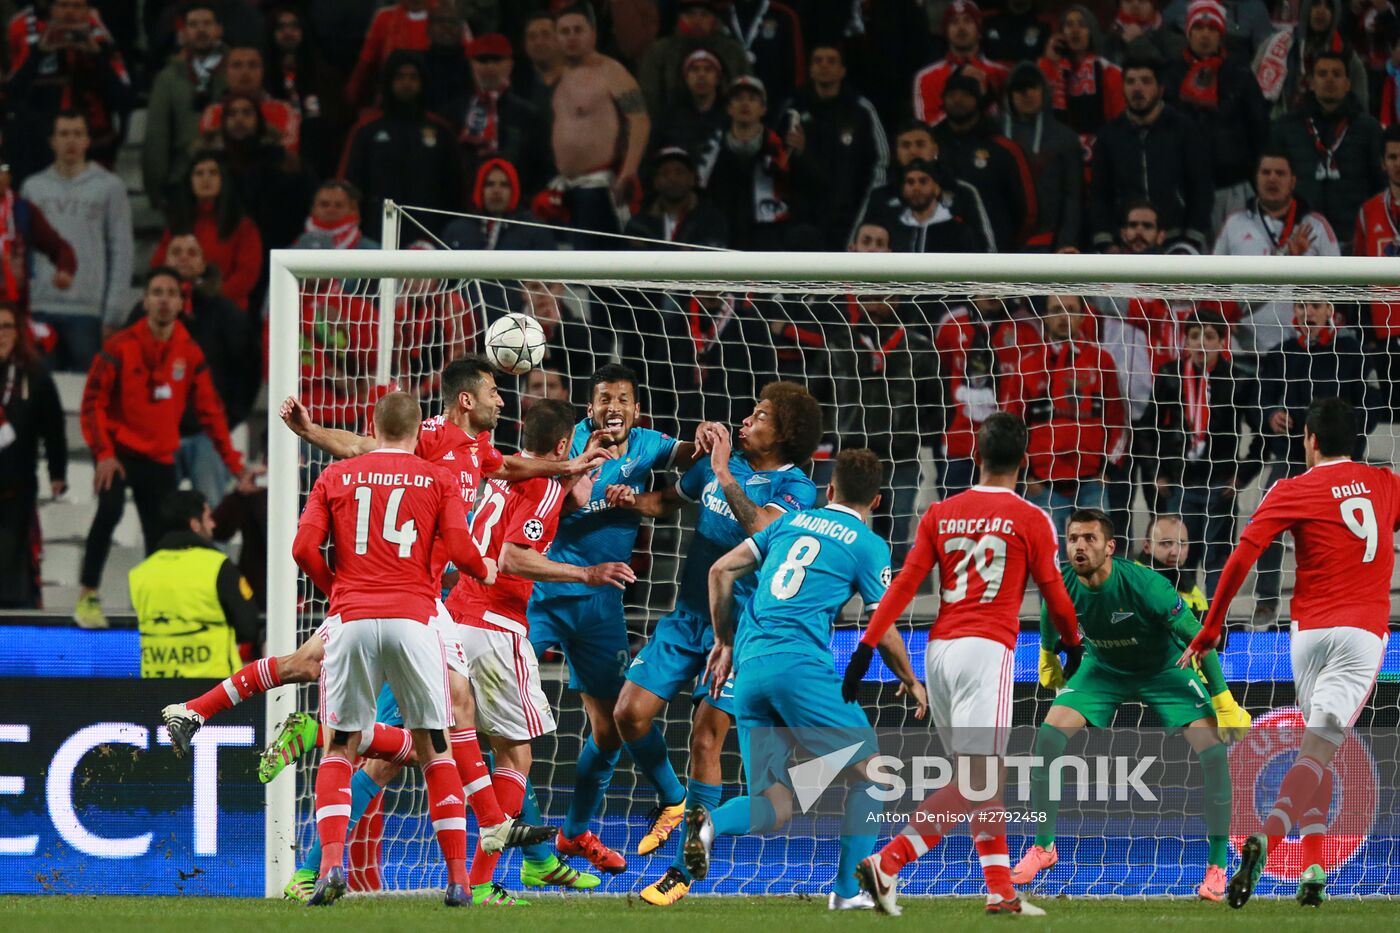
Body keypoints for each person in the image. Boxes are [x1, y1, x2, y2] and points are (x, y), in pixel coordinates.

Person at [164, 358, 606, 897]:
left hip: (384, 597)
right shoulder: (434, 440)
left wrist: (566, 468)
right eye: (494, 390)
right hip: (418, 601)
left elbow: (506, 468)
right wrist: (312, 432)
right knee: (437, 731)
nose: (502, 399)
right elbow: (362, 446)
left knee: (358, 707)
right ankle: (481, 839)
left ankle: (210, 717)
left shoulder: (479, 452)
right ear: (464, 401)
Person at [850, 412, 1081, 917]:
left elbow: (906, 584)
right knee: (979, 780)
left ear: (975, 457)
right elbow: (1055, 595)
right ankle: (888, 862)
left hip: (939, 653)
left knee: (981, 780)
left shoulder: (941, 512)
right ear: (1025, 461)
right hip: (986, 650)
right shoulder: (1032, 518)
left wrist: (866, 647)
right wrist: (1074, 643)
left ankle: (1000, 891)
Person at [609, 383, 823, 907]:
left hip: (738, 632)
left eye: (762, 416)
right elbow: (668, 501)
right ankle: (675, 800)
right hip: (684, 619)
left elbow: (763, 531)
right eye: (750, 411)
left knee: (706, 739)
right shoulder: (711, 465)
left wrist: (725, 471)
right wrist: (630, 499)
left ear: (785, 434)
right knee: (629, 715)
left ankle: (682, 868)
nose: (747, 420)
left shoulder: (797, 490)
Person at [684, 448, 926, 911]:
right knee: (876, 774)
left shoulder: (788, 523)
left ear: (828, 491)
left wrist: (724, 641)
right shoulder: (867, 544)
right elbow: (884, 625)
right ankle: (847, 892)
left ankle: (710, 824)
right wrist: (911, 678)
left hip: (750, 668)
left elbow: (721, 570)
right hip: (800, 665)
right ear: (876, 501)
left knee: (773, 806)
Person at [1181, 397, 1398, 909]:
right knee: (1319, 751)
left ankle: (1315, 867)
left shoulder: (1292, 488)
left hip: (1308, 636)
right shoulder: (1387, 484)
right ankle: (1269, 839)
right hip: (1362, 634)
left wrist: (1211, 627)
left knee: (1314, 752)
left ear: (1311, 440)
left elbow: (1242, 557)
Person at [292, 390, 491, 908]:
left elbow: (301, 549)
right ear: (416, 431)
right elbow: (460, 546)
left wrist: (335, 589)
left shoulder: (334, 477)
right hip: (415, 618)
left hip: (352, 618)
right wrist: (482, 569)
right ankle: (457, 879)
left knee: (340, 747)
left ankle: (330, 866)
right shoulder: (439, 477)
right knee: (434, 745)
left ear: (373, 427)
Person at [443, 397, 637, 906]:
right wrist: (585, 573)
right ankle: (482, 880)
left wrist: (587, 457)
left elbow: (569, 496)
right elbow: (511, 554)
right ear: (559, 448)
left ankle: (506, 871)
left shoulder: (508, 468)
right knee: (516, 754)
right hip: (495, 625)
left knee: (449, 743)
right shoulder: (547, 484)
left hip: (456, 615)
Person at [1010, 508, 1248, 902]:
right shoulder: (1064, 579)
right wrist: (1048, 654)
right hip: (1103, 665)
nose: (1080, 546)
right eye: (1073, 539)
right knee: (1048, 739)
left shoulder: (1147, 585)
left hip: (1164, 668)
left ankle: (1218, 867)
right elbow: (1053, 610)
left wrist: (1223, 699)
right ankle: (1044, 847)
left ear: (1110, 547)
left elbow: (1201, 638)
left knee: (1214, 754)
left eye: (1089, 538)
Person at [519, 365, 700, 880]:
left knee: (612, 726)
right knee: (505, 721)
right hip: (544, 593)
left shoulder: (648, 444)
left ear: (636, 409)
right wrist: (583, 470)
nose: (613, 406)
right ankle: (532, 853)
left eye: (622, 398)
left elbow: (687, 462)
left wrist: (708, 438)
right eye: (604, 399)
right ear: (590, 407)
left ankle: (574, 832)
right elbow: (549, 493)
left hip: (601, 603)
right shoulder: (569, 442)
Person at [75, 267, 248, 629]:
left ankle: (157, 608)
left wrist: (236, 467)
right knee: (108, 510)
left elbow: (211, 413)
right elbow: (92, 402)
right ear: (145, 300)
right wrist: (104, 453)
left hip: (160, 458)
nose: (164, 299)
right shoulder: (120, 346)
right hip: (120, 453)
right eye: (156, 292)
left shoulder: (189, 351)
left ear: (181, 303)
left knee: (165, 539)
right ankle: (87, 594)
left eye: (171, 292)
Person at [1251, 301, 1373, 629]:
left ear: (1329, 310)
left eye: (1315, 306)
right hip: (1293, 456)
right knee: (1264, 517)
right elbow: (1259, 400)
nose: (1309, 313)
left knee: (1349, 528)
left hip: (1340, 460)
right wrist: (1270, 414)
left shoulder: (1350, 351)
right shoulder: (1280, 353)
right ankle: (1266, 599)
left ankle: (1351, 594)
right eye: (1303, 306)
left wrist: (1349, 439)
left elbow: (1368, 405)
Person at [1145, 310, 1262, 598]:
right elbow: (1148, 428)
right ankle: (1180, 631)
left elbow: (1263, 436)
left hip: (1219, 485)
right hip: (1179, 484)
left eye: (1209, 336)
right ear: (1185, 341)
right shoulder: (1169, 375)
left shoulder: (1239, 378)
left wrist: (1242, 477)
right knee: (1178, 562)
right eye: (1194, 336)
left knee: (1218, 564)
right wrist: (1157, 472)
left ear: (1222, 341)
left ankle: (1214, 631)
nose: (1200, 343)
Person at [828, 286, 940, 559]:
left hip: (901, 457)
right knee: (844, 536)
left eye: (882, 298)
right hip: (850, 457)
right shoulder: (838, 344)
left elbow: (937, 405)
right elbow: (819, 396)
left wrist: (916, 438)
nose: (875, 305)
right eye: (869, 298)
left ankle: (891, 600)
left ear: (897, 299)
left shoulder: (920, 348)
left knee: (896, 539)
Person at [1005, 293, 1127, 534]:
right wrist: (1026, 474)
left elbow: (1117, 420)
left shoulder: (1102, 361)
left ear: (1082, 316)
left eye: (1070, 309)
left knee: (1095, 564)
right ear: (1045, 317)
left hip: (1092, 480)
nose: (1063, 316)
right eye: (1056, 310)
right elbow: (1012, 425)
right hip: (1043, 484)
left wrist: (1109, 470)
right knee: (1050, 563)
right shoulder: (1027, 365)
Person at [151, 233, 257, 506]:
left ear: (203, 263)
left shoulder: (226, 314)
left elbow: (248, 369)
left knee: (213, 517)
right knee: (159, 518)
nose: (184, 257)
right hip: (158, 435)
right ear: (164, 259)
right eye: (176, 251)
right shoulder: (141, 317)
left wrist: (229, 417)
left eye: (191, 252)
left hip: (208, 436)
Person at [21, 110, 129, 372]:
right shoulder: (33, 188)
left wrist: (112, 311)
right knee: (41, 392)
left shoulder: (109, 186)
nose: (71, 140)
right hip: (39, 307)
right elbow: (21, 252)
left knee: (86, 395)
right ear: (52, 141)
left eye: (78, 134)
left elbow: (121, 249)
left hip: (88, 311)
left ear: (87, 141)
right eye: (64, 134)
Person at [1214, 150, 1339, 357]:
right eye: (1266, 172)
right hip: (1243, 350)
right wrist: (1223, 316)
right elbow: (1213, 284)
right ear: (1256, 179)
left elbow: (1337, 288)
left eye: (1280, 173)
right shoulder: (1234, 225)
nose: (1272, 178)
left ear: (1293, 181)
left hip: (1301, 350)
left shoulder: (1316, 226)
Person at [549, 5, 649, 250]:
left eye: (577, 30)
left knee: (598, 270)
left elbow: (639, 120)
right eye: (564, 31)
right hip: (562, 188)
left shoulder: (610, 71)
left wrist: (629, 170)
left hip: (599, 188)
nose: (571, 37)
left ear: (592, 33)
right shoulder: (554, 76)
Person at [1091, 52, 1213, 252]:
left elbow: (1201, 188)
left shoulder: (1184, 130)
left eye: (1146, 81)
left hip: (1178, 241)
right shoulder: (1108, 137)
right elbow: (1099, 196)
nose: (1137, 88)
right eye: (1130, 82)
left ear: (1160, 88)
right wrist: (1106, 243)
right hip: (1125, 246)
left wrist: (1191, 239)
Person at [1163, 0, 1269, 229]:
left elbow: (1259, 128)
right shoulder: (1170, 74)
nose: (1205, 35)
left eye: (1212, 29)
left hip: (1233, 185)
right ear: (1188, 32)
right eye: (1199, 28)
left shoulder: (1239, 73)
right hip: (1184, 186)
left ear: (1221, 34)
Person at [131, 489, 259, 678]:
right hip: (212, 690)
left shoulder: (140, 573)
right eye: (208, 517)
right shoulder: (218, 566)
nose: (213, 523)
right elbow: (248, 627)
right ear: (195, 524)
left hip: (156, 688)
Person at [339, 50, 464, 242]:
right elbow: (349, 185)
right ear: (388, 81)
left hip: (430, 239)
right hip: (375, 237)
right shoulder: (366, 131)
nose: (407, 83)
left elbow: (456, 190)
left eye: (413, 77)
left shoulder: (441, 132)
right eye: (400, 76)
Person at [1268, 51, 1384, 250]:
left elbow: (1379, 186)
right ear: (1312, 83)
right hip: (1302, 240)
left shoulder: (1368, 129)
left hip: (1352, 239)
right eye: (1322, 74)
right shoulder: (1286, 127)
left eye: (1337, 74)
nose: (1329, 79)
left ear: (1348, 84)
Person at [777, 44, 887, 250]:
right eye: (818, 61)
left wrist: (866, 211)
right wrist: (797, 152)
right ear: (810, 69)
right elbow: (775, 161)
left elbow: (880, 163)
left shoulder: (860, 109)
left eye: (831, 61)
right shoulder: (793, 107)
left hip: (846, 217)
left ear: (843, 70)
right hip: (801, 218)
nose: (824, 66)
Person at [932, 295, 1040, 497]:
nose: (991, 292)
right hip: (960, 446)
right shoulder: (950, 323)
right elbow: (942, 371)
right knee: (958, 523)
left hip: (1006, 449)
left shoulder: (1028, 327)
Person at [8, 0, 130, 168]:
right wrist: (39, 55)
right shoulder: (29, 37)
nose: (70, 12)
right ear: (52, 9)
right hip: (40, 148)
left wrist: (96, 55)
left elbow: (123, 99)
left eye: (77, 6)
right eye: (63, 5)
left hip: (94, 148)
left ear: (88, 10)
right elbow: (12, 94)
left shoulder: (101, 39)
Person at [0, 301, 65, 609]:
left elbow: (53, 428)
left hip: (17, 489)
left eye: (6, 326)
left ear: (17, 333)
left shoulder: (35, 377)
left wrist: (58, 472)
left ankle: (12, 633)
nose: (0, 334)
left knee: (13, 562)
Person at [704, 75, 817, 251]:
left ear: (763, 109)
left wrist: (801, 155)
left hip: (771, 240)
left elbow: (807, 191)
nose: (745, 104)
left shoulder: (781, 150)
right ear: (728, 108)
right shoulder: (711, 148)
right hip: (724, 239)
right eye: (738, 98)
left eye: (752, 99)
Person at [932, 72, 1037, 252]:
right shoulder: (929, 144)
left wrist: (1005, 240)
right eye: (951, 95)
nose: (957, 100)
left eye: (966, 94)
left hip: (993, 253)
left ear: (979, 100)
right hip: (938, 253)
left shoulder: (1003, 149)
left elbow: (1027, 210)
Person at [853, 119, 995, 251]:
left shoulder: (962, 193)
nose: (913, 151)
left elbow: (986, 247)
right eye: (905, 145)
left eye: (920, 144)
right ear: (896, 153)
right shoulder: (881, 196)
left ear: (935, 149)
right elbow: (857, 246)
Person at [151, 151, 261, 312]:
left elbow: (246, 277)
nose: (205, 178)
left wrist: (207, 298)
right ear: (190, 181)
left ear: (223, 179)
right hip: (179, 310)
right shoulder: (177, 224)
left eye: (213, 173)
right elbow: (158, 266)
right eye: (199, 173)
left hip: (226, 311)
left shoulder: (244, 227)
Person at [143, 3, 227, 212]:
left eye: (207, 23)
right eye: (193, 24)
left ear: (219, 29)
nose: (201, 30)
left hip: (232, 178)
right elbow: (157, 136)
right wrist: (156, 188)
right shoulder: (168, 77)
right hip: (183, 180)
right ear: (184, 32)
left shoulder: (238, 67)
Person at [445, 33, 549, 196]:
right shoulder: (454, 112)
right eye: (482, 61)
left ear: (510, 64)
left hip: (517, 209)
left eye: (497, 60)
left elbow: (542, 168)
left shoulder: (529, 116)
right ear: (471, 64)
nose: (490, 67)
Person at [213, 93, 318, 252]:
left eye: (247, 113)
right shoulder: (210, 164)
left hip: (276, 250)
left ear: (258, 120)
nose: (239, 119)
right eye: (232, 113)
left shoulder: (283, 161)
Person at [1002, 62, 1082, 251]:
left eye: (1032, 87)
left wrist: (1067, 242)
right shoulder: (994, 135)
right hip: (1001, 243)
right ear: (1009, 95)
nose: (1027, 93)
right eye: (1019, 88)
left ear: (1044, 91)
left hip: (1049, 242)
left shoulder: (1065, 138)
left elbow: (1073, 196)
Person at [265, 3, 350, 181]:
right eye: (281, 27)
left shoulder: (326, 77)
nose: (288, 32)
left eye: (294, 26)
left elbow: (340, 123)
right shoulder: (263, 78)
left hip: (319, 166)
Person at [1037, 4, 1125, 166]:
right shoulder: (1049, 69)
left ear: (1092, 32)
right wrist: (1049, 63)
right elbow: (1039, 109)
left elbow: (1120, 124)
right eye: (1069, 25)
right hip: (1058, 157)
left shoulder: (1111, 72)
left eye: (1082, 25)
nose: (1075, 30)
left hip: (1100, 157)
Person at [345, 0, 470, 110]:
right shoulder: (385, 18)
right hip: (392, 103)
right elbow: (365, 67)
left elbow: (471, 59)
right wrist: (350, 101)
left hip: (441, 102)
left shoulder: (447, 16)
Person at [1353, 124, 1400, 413]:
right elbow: (1358, 276)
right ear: (1383, 162)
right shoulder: (1368, 212)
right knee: (1394, 420)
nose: (1399, 164)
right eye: (1393, 157)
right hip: (1386, 335)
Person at [637, 0, 749, 117]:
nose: (697, 20)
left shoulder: (733, 52)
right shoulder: (660, 51)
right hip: (670, 128)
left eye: (704, 15)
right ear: (679, 18)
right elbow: (648, 97)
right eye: (690, 14)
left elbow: (746, 94)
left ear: (714, 20)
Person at [912, 0, 1009, 125]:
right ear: (945, 32)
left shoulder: (1001, 73)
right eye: (954, 22)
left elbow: (1009, 123)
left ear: (979, 30)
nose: (961, 27)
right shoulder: (926, 77)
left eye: (967, 20)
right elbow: (926, 125)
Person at [1273, 0, 1371, 116]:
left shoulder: (1346, 55)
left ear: (1335, 14)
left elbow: (1361, 106)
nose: (1321, 11)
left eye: (1328, 7)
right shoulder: (1282, 46)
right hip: (1287, 122)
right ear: (1306, 9)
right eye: (1316, 4)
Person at [197, 46, 299, 153]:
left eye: (252, 65)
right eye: (237, 65)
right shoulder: (213, 112)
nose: (245, 71)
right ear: (226, 73)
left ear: (262, 72)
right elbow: (207, 152)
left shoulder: (284, 110)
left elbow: (289, 150)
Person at [623, 147, 729, 248]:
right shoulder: (639, 224)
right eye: (665, 173)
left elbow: (713, 252)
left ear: (692, 178)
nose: (672, 179)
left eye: (679, 172)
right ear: (656, 182)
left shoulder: (711, 220)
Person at [443, 158, 557, 251]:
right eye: (489, 184)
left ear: (514, 191)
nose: (496, 190)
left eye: (504, 185)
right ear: (480, 190)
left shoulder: (536, 230)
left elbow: (554, 273)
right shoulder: (457, 229)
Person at [647, 48, 726, 173]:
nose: (701, 75)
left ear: (718, 77)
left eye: (708, 69)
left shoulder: (731, 115)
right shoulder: (668, 118)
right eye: (695, 69)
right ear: (686, 77)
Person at [724, 0, 805, 110]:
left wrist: (789, 103)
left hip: (774, 106)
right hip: (727, 107)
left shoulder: (783, 15)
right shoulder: (721, 15)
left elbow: (796, 68)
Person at [885, 158, 979, 253]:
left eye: (923, 181)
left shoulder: (958, 231)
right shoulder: (891, 228)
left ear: (937, 189)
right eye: (910, 182)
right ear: (903, 190)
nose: (916, 187)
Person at [1139, 512, 1208, 612]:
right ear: (1147, 546)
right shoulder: (1133, 582)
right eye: (1166, 543)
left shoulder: (1190, 585)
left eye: (1182, 544)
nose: (1175, 552)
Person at [293, 179, 380, 251]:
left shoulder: (373, 252)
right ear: (313, 208)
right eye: (324, 204)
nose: (330, 210)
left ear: (354, 210)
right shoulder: (293, 251)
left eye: (338, 205)